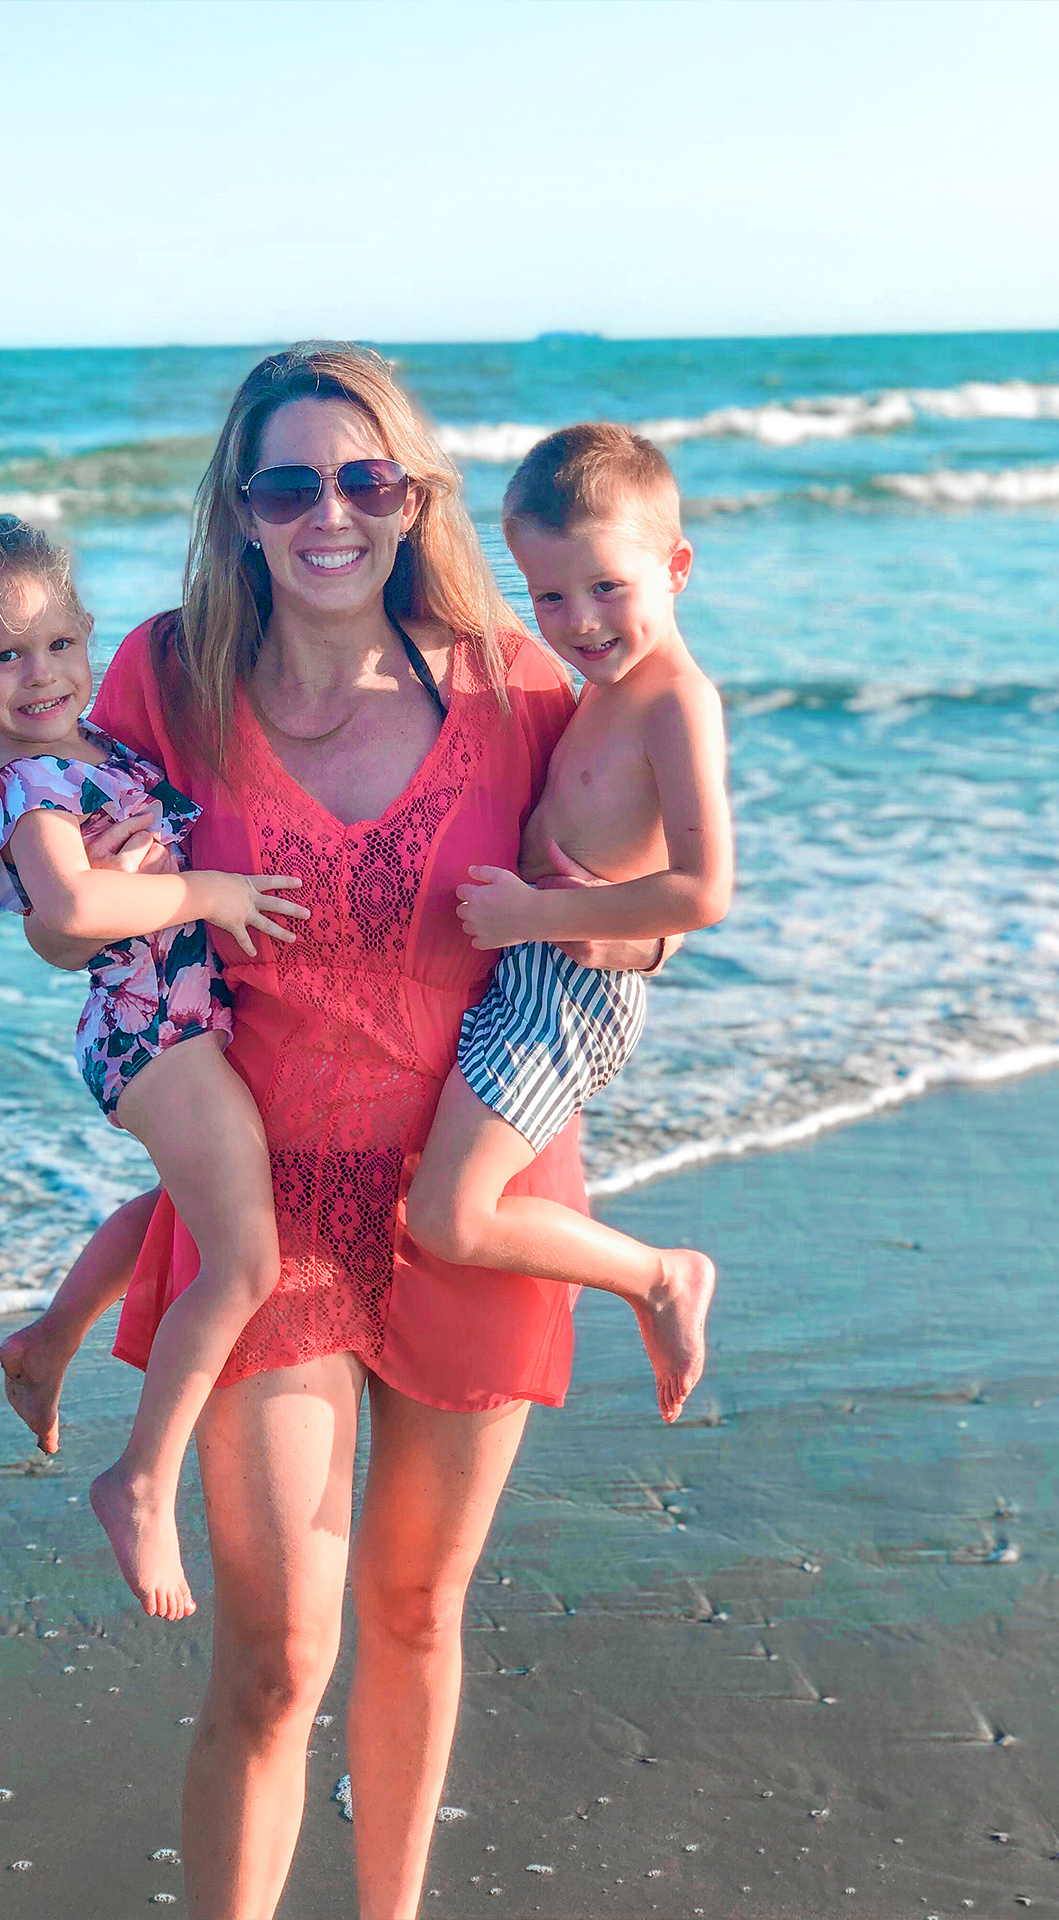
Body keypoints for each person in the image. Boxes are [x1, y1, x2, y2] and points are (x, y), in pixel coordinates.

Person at [15, 342, 669, 1920]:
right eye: (288, 484)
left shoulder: (515, 682)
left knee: (419, 1613)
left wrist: (629, 931)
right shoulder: (162, 678)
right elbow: (63, 898)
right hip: (269, 1215)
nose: (330, 515)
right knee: (275, 1660)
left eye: (366, 480)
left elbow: (636, 913)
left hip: (472, 1190)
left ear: (413, 497)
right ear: (238, 508)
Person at [0, 510, 306, 1622]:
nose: (42, 674)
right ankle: (140, 1481)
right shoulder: (25, 785)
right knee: (245, 1261)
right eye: (5, 655)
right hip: (154, 1034)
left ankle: (47, 1340)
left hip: (179, 1021)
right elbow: (67, 911)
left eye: (61, 643)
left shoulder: (90, 748)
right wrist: (204, 891)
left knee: (186, 1212)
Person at [404, 423, 732, 1423]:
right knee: (437, 1196)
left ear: (676, 568)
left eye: (606, 588)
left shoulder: (676, 703)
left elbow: (704, 890)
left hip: (571, 994)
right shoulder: (605, 688)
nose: (579, 621)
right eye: (548, 596)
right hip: (535, 974)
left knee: (449, 1216)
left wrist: (538, 914)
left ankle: (660, 1276)